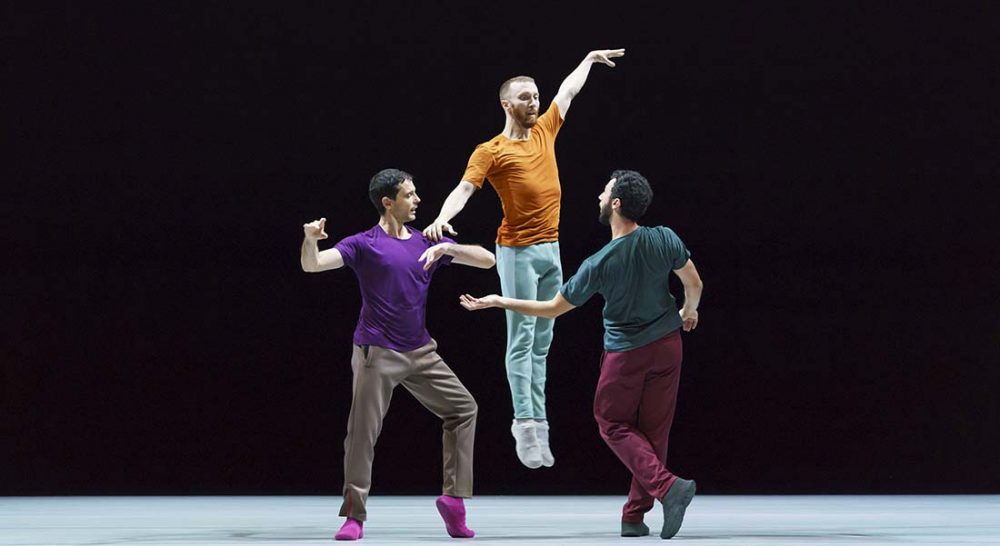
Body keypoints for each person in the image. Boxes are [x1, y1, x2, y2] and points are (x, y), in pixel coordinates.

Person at [459, 170, 704, 540]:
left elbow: (551, 308)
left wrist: (499, 301)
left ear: (616, 204)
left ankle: (668, 487)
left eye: (604, 193)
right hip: (669, 346)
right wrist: (689, 310)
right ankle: (634, 517)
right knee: (654, 432)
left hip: (627, 355)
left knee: (611, 423)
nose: (599, 197)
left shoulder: (599, 262)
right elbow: (694, 282)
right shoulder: (664, 238)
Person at [423, 48, 626, 469]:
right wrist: (442, 218)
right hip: (516, 253)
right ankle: (525, 424)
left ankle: (541, 424)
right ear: (506, 104)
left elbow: (568, 91)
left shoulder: (545, 130)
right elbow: (464, 189)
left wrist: (588, 60)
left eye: (536, 96)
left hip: (552, 249)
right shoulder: (490, 150)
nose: (535, 103)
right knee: (522, 339)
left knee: (544, 341)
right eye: (526, 98)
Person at [301, 168, 496, 541]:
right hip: (377, 351)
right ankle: (354, 517)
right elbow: (312, 265)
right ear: (388, 202)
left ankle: (454, 502)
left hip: (421, 351)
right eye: (410, 195)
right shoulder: (364, 244)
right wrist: (310, 240)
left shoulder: (426, 241)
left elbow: (487, 260)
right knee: (362, 434)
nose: (418, 200)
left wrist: (448, 248)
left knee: (463, 408)